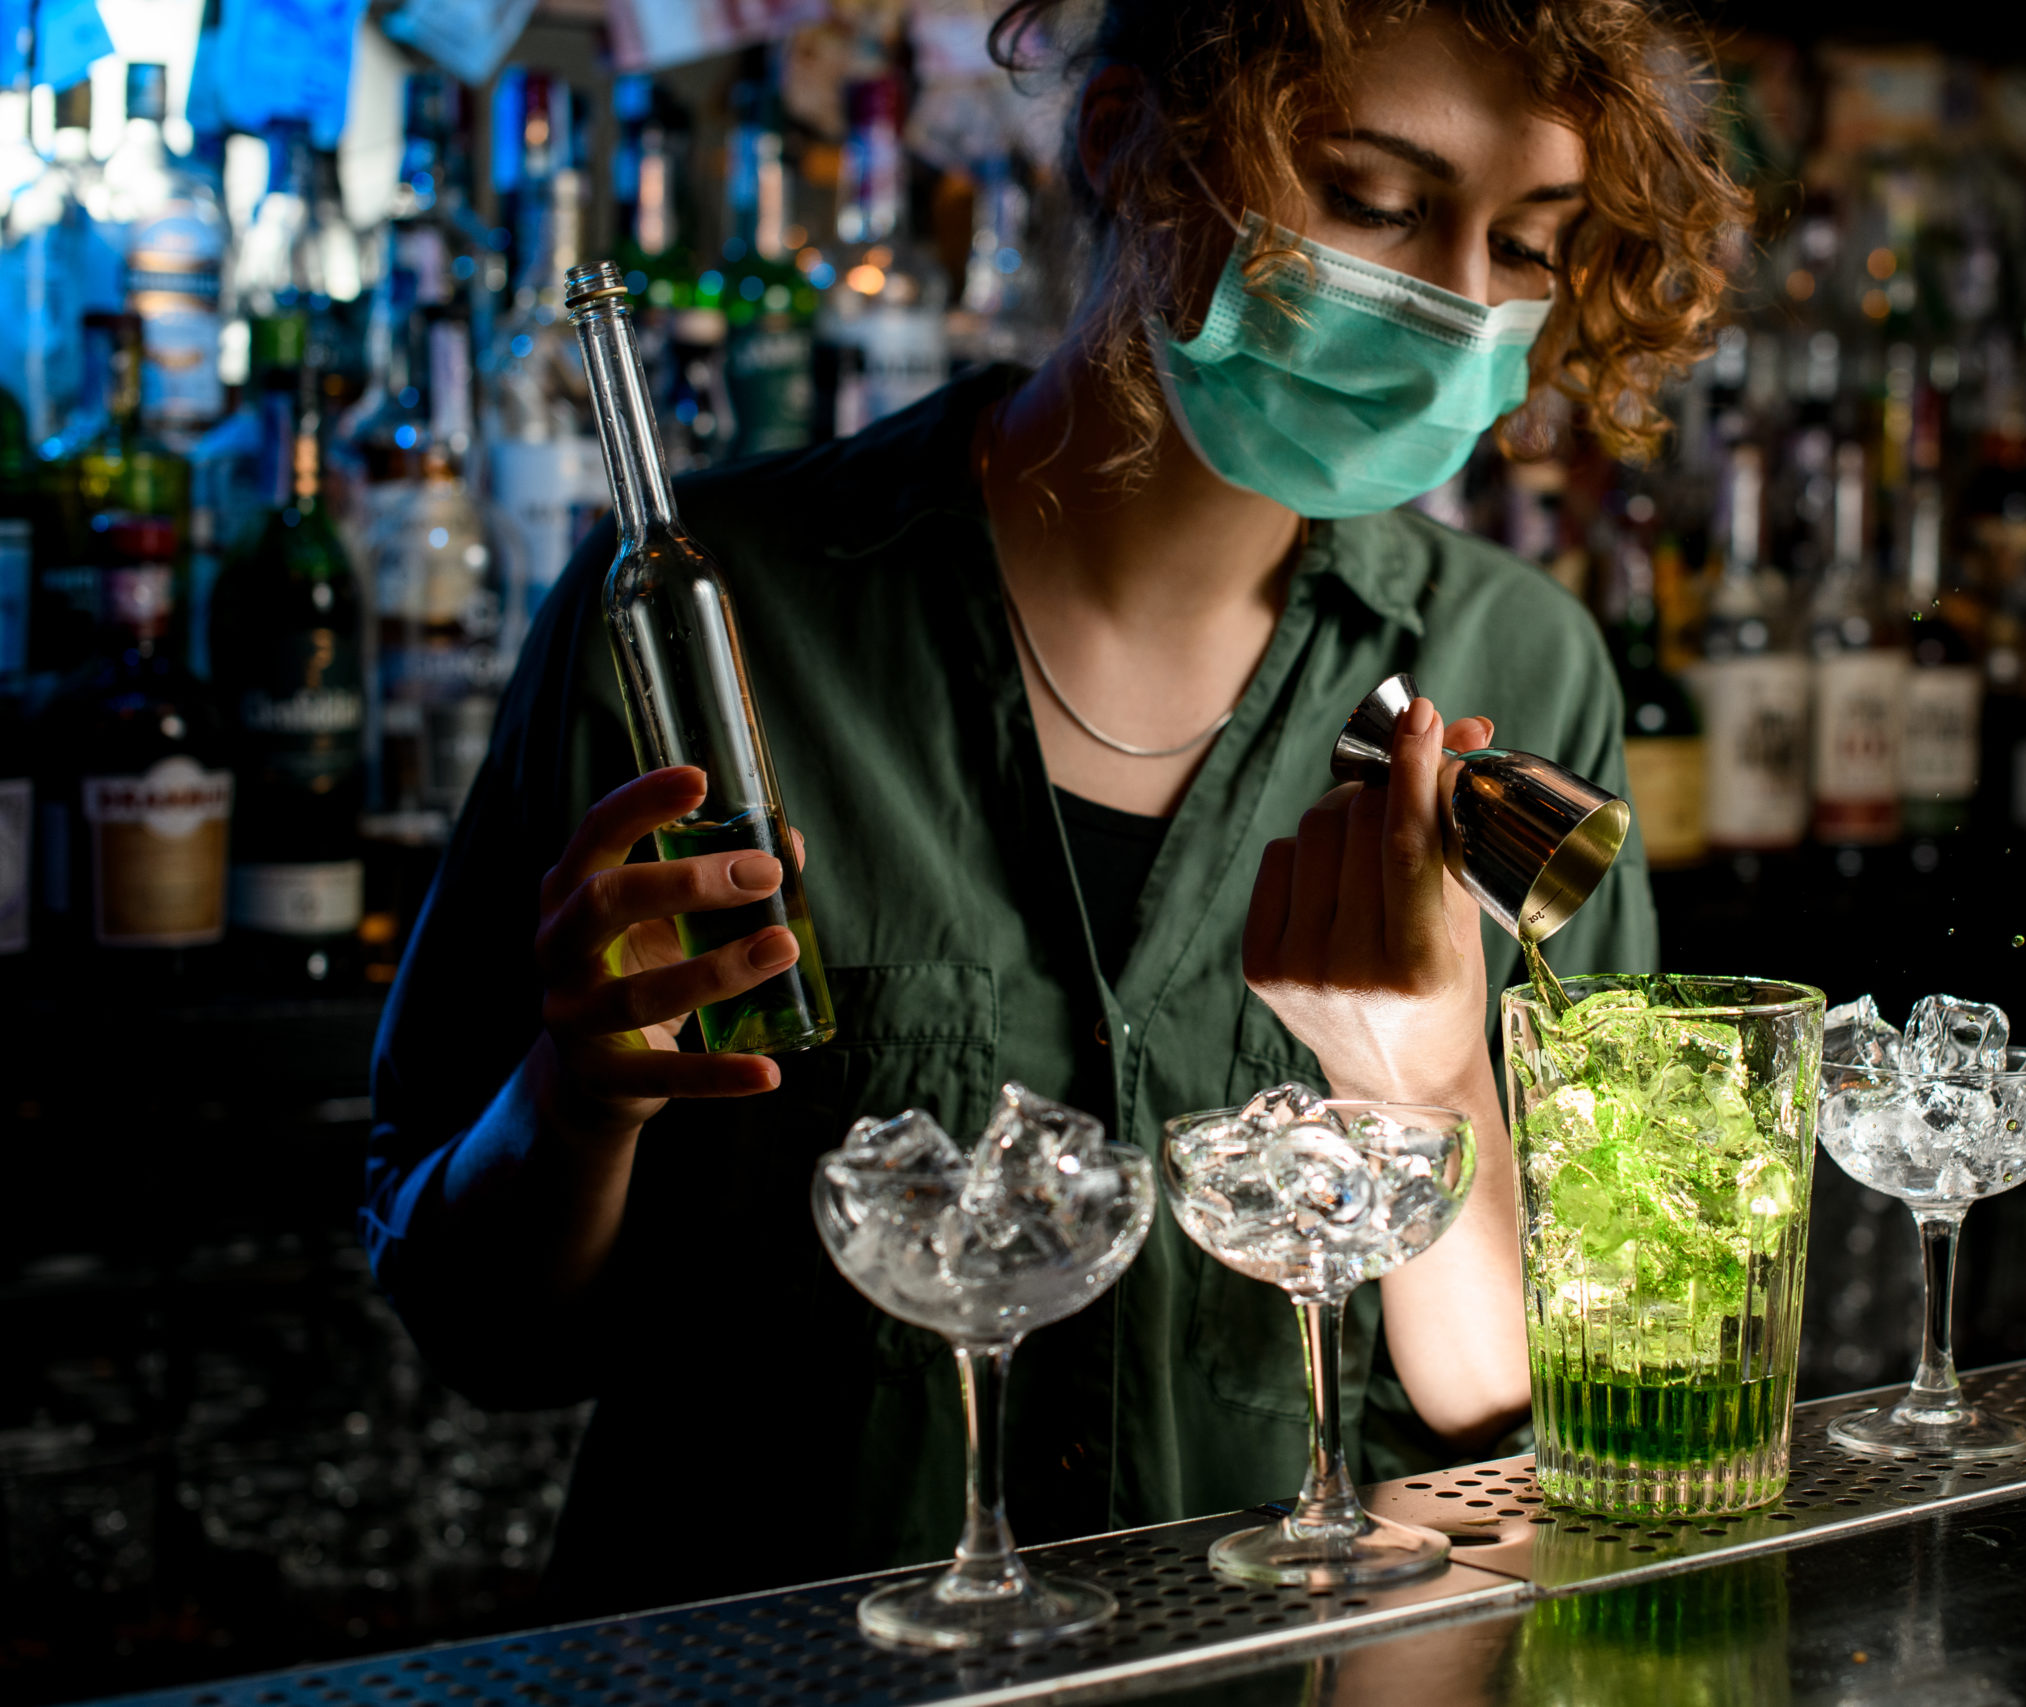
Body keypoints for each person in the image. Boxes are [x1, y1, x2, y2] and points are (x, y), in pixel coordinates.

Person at [364, 0, 1740, 1614]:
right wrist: (577, 1096)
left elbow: (1555, 1416)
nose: (1452, 300)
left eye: (1525, 242)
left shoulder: (1522, 665)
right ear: (1131, 146)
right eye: (1373, 202)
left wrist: (1430, 1087)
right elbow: (486, 1334)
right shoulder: (714, 621)